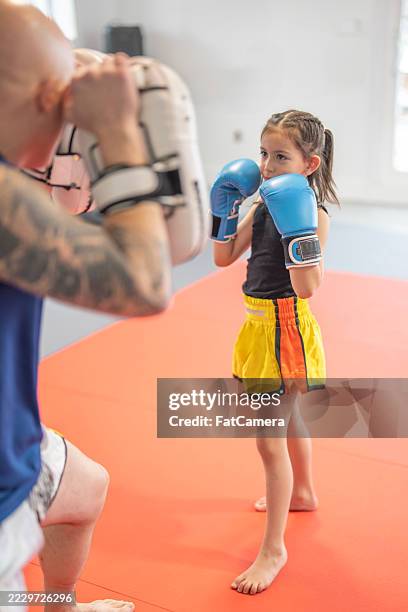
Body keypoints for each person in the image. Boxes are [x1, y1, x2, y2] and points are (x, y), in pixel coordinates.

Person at [0, 2, 174, 610]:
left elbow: (62, 219)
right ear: (49, 99)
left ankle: (60, 606)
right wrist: (120, 132)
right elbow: (145, 281)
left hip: (18, 442)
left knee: (87, 486)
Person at [210, 109, 339, 595]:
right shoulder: (263, 204)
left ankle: (273, 549)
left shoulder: (314, 213)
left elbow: (309, 288)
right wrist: (226, 207)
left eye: (279, 156)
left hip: (286, 329)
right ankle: (302, 492)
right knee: (289, 422)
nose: (265, 165)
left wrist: (297, 229)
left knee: (269, 441)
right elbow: (224, 257)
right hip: (256, 325)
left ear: (309, 163)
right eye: (264, 154)